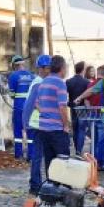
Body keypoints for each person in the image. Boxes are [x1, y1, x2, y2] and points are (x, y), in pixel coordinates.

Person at [31, 54, 72, 184]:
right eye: (65, 67)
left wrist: (46, 113)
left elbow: (36, 103)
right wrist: (66, 125)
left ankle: (51, 189)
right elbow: (62, 107)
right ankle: (63, 189)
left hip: (44, 128)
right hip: (57, 129)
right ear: (62, 68)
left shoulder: (44, 82)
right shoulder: (60, 83)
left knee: (50, 161)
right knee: (63, 160)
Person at [21, 54, 52, 193]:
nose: (49, 70)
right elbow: (32, 104)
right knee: (37, 156)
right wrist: (26, 124)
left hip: (39, 124)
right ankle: (35, 185)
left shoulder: (41, 81)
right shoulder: (39, 83)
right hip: (37, 124)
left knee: (40, 155)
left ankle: (38, 184)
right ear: (41, 69)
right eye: (48, 68)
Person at [7, 55, 34, 159]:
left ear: (14, 65)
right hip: (30, 108)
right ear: (23, 64)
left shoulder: (13, 76)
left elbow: (12, 94)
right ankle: (31, 155)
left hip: (19, 107)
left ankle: (18, 155)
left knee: (18, 131)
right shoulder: (32, 76)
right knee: (30, 132)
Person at [66, 60, 89, 152]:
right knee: (81, 130)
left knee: (75, 129)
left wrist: (69, 104)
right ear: (83, 70)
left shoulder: (69, 81)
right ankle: (79, 150)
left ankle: (76, 149)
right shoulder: (86, 82)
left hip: (73, 107)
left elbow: (64, 95)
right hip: (83, 108)